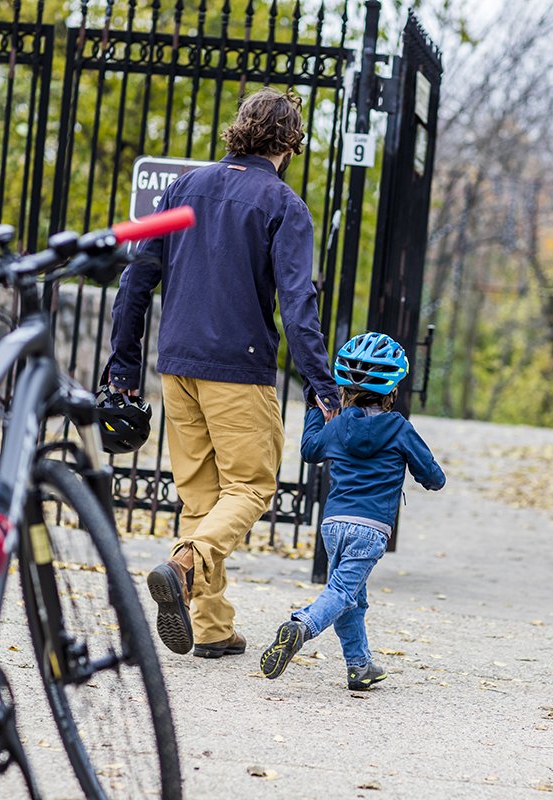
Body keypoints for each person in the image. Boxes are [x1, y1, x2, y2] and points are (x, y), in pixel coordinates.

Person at [106, 88, 341, 659]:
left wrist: (124, 364)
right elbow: (298, 305)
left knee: (201, 497)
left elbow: (136, 280)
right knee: (251, 486)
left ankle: (212, 628)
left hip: (176, 365)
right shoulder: (283, 204)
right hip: (239, 368)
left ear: (239, 130)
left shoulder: (184, 188)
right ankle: (186, 564)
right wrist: (322, 383)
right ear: (291, 143)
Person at [260, 332, 446, 689]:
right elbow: (433, 477)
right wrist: (427, 476)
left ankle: (360, 667)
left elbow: (310, 450)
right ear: (392, 390)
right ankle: (301, 626)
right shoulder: (399, 429)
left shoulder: (340, 425)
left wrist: (315, 410)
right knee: (343, 593)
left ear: (346, 389)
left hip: (333, 525)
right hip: (370, 529)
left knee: (352, 599)